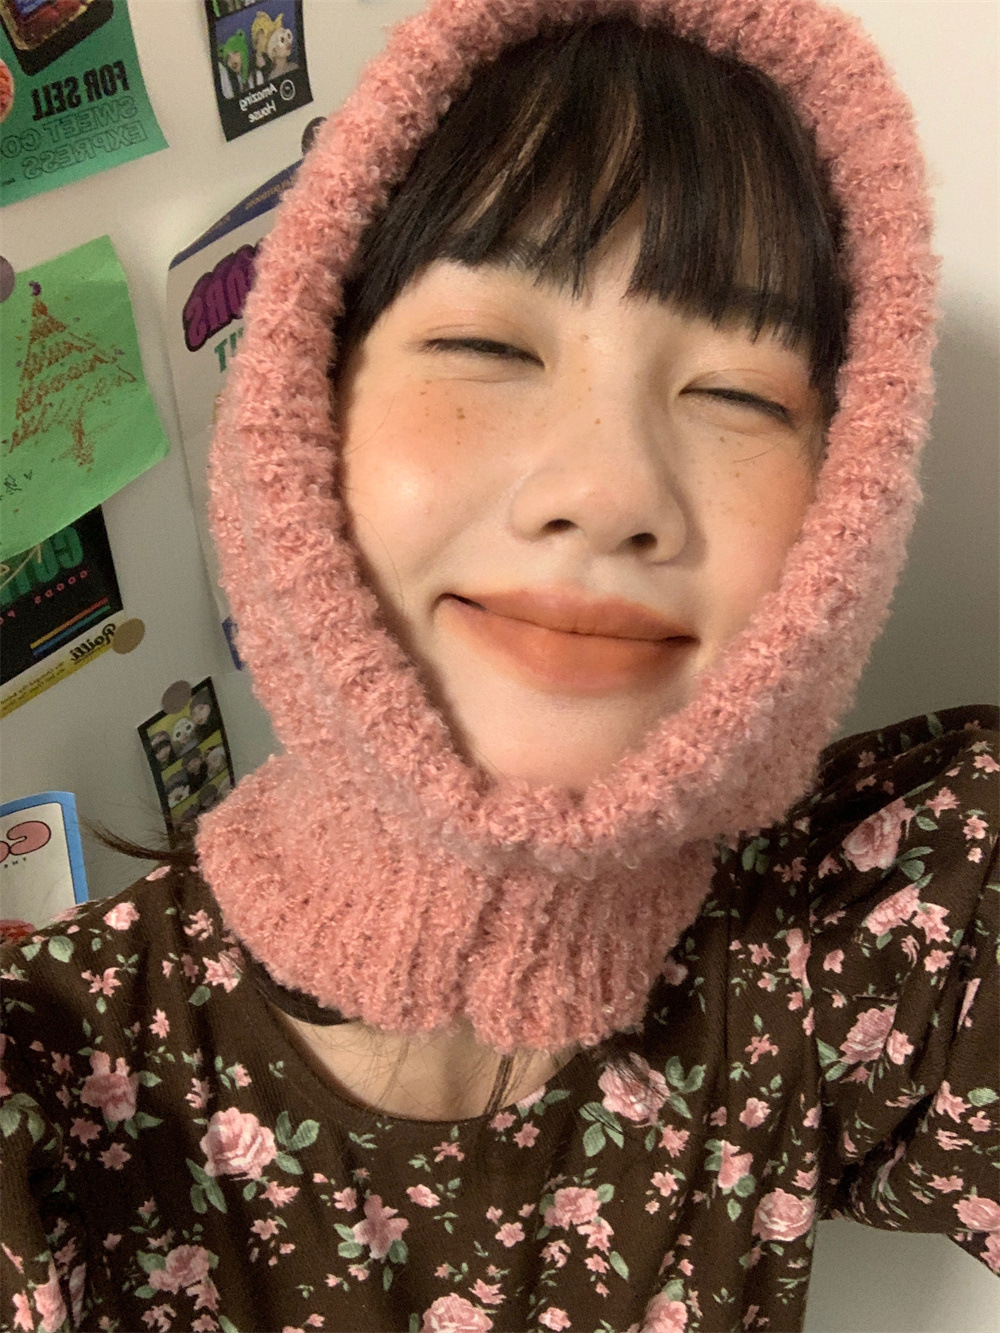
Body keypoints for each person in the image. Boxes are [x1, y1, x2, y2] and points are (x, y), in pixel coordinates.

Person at [2, 1, 997, 1330]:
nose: (609, 490)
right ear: (301, 413)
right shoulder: (51, 1085)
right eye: (488, 346)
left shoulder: (882, 930)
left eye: (743, 395)